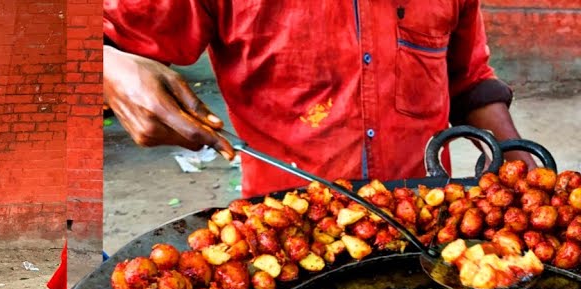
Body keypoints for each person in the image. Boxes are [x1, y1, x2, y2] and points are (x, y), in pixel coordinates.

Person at [103, 0, 535, 198]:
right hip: (286, 230)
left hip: (421, 221)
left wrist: (518, 159)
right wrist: (110, 68)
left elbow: (468, 77)